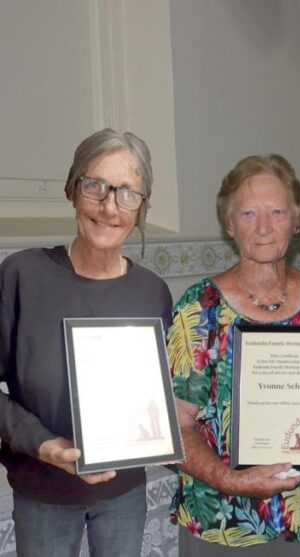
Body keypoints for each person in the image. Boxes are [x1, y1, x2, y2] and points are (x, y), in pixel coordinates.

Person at [166, 154, 300, 555]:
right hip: (226, 518)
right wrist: (232, 480)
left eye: (276, 211)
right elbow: (174, 427)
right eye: (247, 213)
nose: (262, 227)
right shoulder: (198, 309)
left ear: (297, 220)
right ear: (228, 223)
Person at [0, 128, 172, 556]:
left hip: (124, 494)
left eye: (128, 193)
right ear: (73, 190)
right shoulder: (22, 275)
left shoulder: (153, 293)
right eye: (95, 186)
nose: (109, 206)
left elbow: (156, 396)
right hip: (43, 492)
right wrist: (43, 443)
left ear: (142, 208)